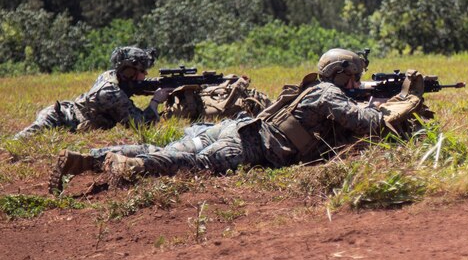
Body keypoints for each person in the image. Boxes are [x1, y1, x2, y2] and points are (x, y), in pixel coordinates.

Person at [50, 48, 428, 192]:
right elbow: (367, 125)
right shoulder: (329, 94)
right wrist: (402, 99)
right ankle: (123, 163)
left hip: (237, 128)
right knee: (186, 163)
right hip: (249, 145)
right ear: (342, 73)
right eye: (355, 75)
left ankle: (88, 158)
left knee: (165, 146)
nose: (358, 81)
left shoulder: (315, 90)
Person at [12, 46, 170, 140]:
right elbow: (140, 125)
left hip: (67, 114)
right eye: (142, 70)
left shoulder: (113, 76)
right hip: (58, 119)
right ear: (129, 72)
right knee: (18, 142)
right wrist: (156, 101)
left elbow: (138, 86)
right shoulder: (111, 92)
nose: (146, 74)